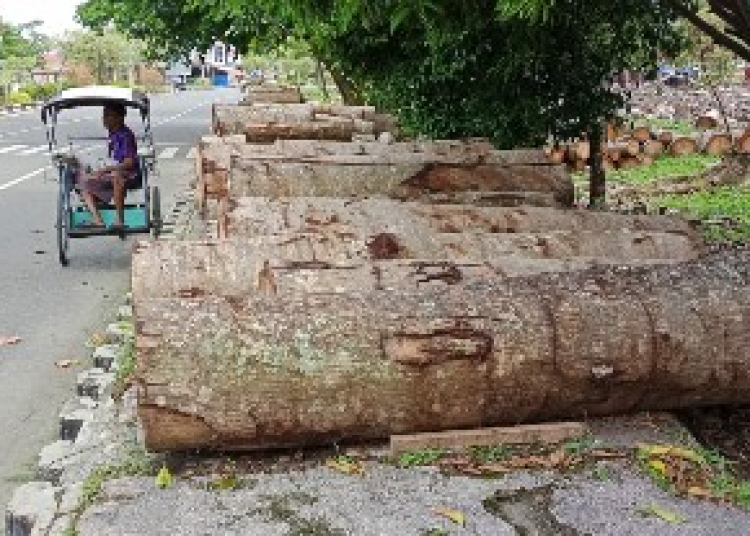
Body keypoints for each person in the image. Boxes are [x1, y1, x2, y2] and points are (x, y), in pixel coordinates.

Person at [78, 103, 140, 229]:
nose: (104, 119)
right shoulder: (113, 134)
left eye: (107, 116)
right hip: (113, 172)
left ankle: (119, 220)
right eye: (104, 116)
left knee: (116, 177)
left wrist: (107, 169)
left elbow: (129, 162)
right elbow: (112, 159)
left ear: (119, 117)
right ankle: (97, 219)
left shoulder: (126, 135)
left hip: (129, 173)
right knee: (84, 182)